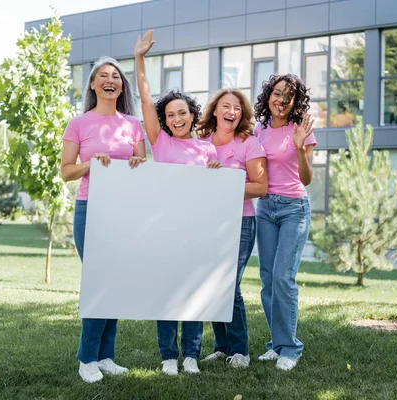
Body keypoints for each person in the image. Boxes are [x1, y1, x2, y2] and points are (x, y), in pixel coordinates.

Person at [134, 30, 220, 376]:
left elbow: (216, 196)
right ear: (165, 120)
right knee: (168, 294)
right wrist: (139, 58)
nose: (176, 119)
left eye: (182, 112)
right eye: (170, 114)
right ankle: (169, 355)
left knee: (194, 296)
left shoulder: (207, 149)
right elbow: (144, 99)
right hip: (165, 229)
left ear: (192, 114)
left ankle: (191, 355)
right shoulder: (161, 143)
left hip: (197, 232)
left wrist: (214, 173)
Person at [60, 56, 147, 383]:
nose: (111, 80)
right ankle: (87, 358)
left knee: (115, 283)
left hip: (125, 212)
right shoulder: (78, 123)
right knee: (100, 281)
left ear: (121, 86)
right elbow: (67, 171)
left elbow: (141, 165)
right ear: (94, 84)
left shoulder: (133, 125)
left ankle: (106, 356)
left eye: (116, 76)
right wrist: (90, 164)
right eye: (103, 76)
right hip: (91, 207)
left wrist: (139, 164)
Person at [196, 89, 268, 368]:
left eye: (237, 108)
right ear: (215, 110)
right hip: (207, 221)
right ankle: (222, 346)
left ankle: (240, 350)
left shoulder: (249, 144)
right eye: (226, 106)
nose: (232, 112)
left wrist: (224, 182)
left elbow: (261, 187)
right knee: (214, 283)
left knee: (229, 284)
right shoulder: (200, 143)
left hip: (240, 221)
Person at [252, 74, 316, 371]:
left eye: (288, 96)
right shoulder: (259, 129)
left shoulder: (300, 129)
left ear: (295, 102)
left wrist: (300, 147)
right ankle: (275, 344)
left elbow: (306, 179)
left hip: (293, 208)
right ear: (268, 96)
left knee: (282, 278)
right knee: (268, 280)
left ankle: (290, 347)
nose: (281, 100)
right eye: (277, 94)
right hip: (265, 208)